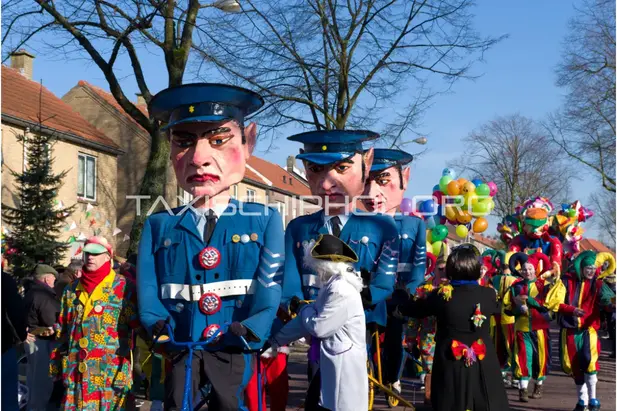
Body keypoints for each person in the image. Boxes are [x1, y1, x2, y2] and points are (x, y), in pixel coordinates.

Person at [138, 83, 284, 411]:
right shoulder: (159, 224)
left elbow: (270, 284)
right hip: (181, 341)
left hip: (231, 343)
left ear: (249, 142)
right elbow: (149, 286)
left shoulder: (263, 220)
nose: (199, 158)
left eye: (218, 141)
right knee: (177, 404)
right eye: (183, 142)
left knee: (229, 405)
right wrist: (156, 324)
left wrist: (251, 329)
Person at [281, 130, 400, 382]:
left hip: (360, 321)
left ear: (366, 164)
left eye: (343, 167)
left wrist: (362, 300)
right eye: (314, 169)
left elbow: (384, 281)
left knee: (353, 382)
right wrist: (300, 309)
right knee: (318, 382)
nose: (326, 184)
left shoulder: (382, 227)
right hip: (315, 321)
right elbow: (290, 281)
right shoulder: (298, 228)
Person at [396, 244, 510, 411]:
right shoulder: (488, 294)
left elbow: (414, 310)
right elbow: (502, 308)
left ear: (451, 270)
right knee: (486, 402)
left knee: (451, 402)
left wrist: (401, 295)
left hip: (451, 360)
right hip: (483, 361)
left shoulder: (442, 295)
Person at [272, 234, 368, 411]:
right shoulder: (331, 286)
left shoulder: (341, 289)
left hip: (343, 362)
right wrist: (276, 340)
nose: (316, 271)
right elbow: (304, 321)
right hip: (329, 360)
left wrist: (302, 308)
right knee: (315, 403)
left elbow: (319, 327)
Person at [361, 148, 426, 395]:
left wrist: (408, 290)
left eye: (382, 181)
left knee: (394, 339)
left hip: (398, 294)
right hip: (368, 292)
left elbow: (418, 264)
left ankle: (393, 379)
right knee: (364, 338)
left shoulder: (413, 224)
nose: (373, 191)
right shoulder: (358, 223)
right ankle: (365, 376)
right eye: (366, 182)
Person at [50, 236, 139, 410]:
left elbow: (139, 325)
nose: (90, 257)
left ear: (108, 257)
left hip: (109, 374)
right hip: (76, 373)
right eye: (87, 253)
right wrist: (56, 365)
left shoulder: (124, 287)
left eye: (96, 253)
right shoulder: (71, 289)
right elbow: (63, 329)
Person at [503, 252, 566, 402]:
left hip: (540, 329)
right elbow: (507, 308)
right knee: (523, 357)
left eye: (530, 269)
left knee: (540, 359)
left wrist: (532, 302)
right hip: (522, 328)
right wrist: (518, 309)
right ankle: (522, 389)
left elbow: (549, 307)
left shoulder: (544, 286)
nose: (527, 272)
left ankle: (538, 385)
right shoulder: (515, 286)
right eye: (524, 269)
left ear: (536, 269)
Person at [557, 251, 616, 411]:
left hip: (588, 330)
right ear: (581, 267)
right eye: (588, 268)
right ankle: (582, 401)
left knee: (589, 361)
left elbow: (608, 298)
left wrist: (613, 304)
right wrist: (571, 310)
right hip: (569, 331)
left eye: (593, 268)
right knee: (574, 366)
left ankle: (593, 399)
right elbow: (555, 302)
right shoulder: (566, 281)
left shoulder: (598, 285)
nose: (591, 271)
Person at [405, 247, 447, 406]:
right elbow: (414, 317)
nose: (444, 273)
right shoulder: (424, 289)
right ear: (435, 269)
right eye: (441, 269)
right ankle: (430, 402)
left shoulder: (455, 289)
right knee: (430, 371)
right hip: (429, 338)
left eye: (447, 270)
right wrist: (410, 337)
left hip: (448, 336)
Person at [23, 264, 61, 411]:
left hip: (32, 340)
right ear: (46, 279)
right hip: (41, 341)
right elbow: (51, 320)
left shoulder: (32, 291)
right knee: (42, 382)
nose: (54, 282)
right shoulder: (43, 295)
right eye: (53, 279)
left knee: (33, 380)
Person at [2, 271, 29, 411]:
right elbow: (16, 311)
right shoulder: (4, 280)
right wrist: (21, 335)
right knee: (7, 398)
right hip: (3, 348)